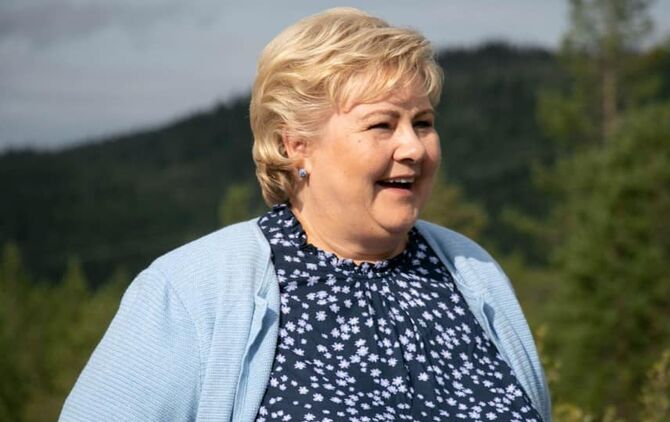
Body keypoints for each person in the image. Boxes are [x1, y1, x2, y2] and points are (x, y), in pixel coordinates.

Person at [61, 7, 551, 422]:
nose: (413, 148)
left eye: (422, 123)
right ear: (297, 145)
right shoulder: (193, 291)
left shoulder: (471, 273)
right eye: (381, 125)